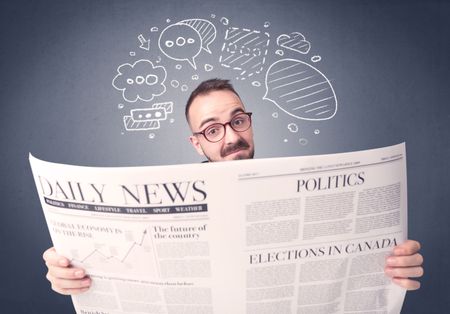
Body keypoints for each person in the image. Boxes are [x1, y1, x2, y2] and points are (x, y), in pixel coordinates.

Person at [43, 78, 424, 295]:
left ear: (249, 122)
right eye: (212, 129)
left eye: (238, 120)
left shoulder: (305, 197)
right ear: (197, 142)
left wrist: (391, 267)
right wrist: (71, 270)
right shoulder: (163, 214)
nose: (231, 137)